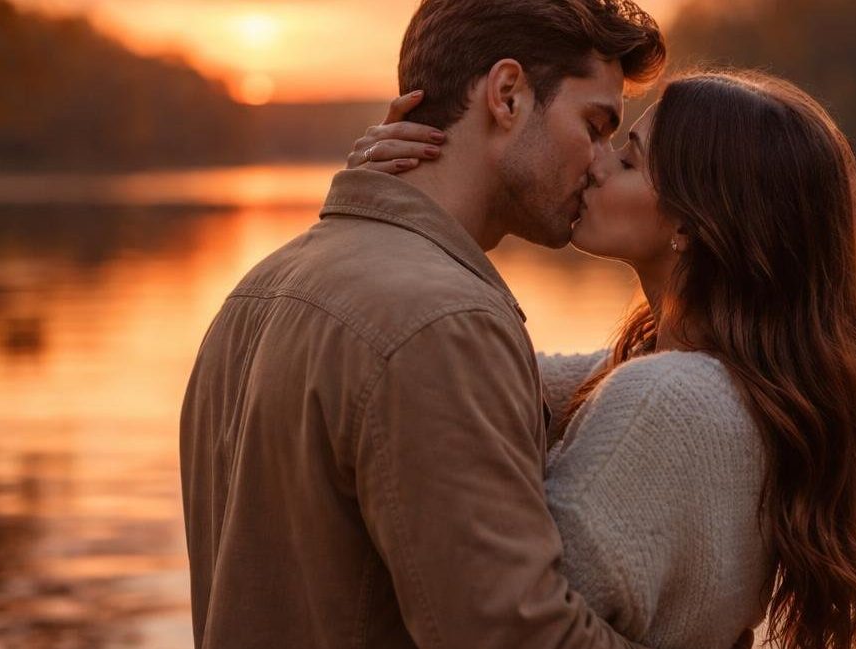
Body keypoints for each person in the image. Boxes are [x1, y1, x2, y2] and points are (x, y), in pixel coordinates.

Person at [349, 69, 856, 649]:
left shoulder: (668, 400)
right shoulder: (714, 383)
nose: (596, 163)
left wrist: (380, 212)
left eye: (628, 160)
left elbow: (511, 619)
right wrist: (396, 199)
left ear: (691, 222)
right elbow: (455, 368)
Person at [178, 0, 668, 647]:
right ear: (508, 95)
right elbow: (520, 638)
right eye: (595, 125)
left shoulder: (254, 293)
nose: (601, 161)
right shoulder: (446, 324)